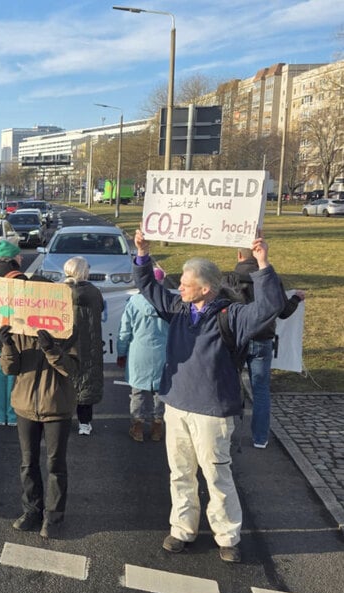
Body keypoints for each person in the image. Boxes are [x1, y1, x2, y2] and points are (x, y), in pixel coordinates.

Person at [133, 229, 286, 563]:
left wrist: (262, 263)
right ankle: (181, 529)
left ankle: (228, 536)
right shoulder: (178, 308)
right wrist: (142, 253)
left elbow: (271, 306)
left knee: (217, 475)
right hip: (176, 404)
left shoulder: (231, 316)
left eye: (186, 283)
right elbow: (148, 287)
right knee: (180, 473)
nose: (179, 287)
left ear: (205, 289)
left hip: (213, 411)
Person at [0, 294, 79, 539]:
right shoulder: (20, 328)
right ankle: (32, 510)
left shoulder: (68, 328)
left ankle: (53, 517)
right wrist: (7, 345)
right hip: (25, 406)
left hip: (56, 407)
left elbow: (72, 369)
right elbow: (9, 369)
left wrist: (51, 348)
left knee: (55, 465)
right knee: (28, 462)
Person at [227, 248, 305, 449]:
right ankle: (260, 438)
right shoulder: (272, 279)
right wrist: (295, 298)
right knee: (261, 390)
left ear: (239, 255)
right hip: (263, 339)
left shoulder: (228, 279)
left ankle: (225, 433)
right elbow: (283, 312)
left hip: (236, 340)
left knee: (228, 386)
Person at [117, 267, 170, 442]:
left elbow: (125, 331)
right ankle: (157, 426)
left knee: (137, 392)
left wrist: (121, 352)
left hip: (138, 353)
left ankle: (137, 426)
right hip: (163, 353)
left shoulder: (134, 303)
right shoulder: (168, 302)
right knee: (160, 392)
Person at [0, 240, 25, 426]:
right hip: (14, 335)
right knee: (12, 375)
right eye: (19, 255)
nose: (21, 258)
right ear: (13, 258)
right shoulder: (19, 278)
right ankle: (12, 415)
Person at [63, 257, 104, 436]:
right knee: (87, 380)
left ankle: (62, 420)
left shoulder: (60, 292)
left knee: (65, 382)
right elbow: (100, 308)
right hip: (89, 343)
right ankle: (85, 423)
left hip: (67, 344)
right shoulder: (94, 292)